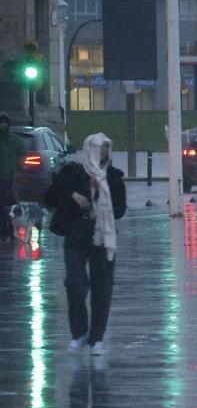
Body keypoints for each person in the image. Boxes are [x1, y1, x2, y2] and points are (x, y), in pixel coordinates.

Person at [42, 133, 126, 356]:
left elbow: (119, 209)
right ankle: (79, 333)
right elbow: (49, 198)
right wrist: (73, 197)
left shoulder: (113, 176)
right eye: (99, 150)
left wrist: (101, 198)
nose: (103, 156)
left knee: (102, 286)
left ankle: (97, 338)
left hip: (103, 235)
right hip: (77, 233)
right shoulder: (71, 174)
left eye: (106, 151)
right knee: (75, 284)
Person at [0, 114, 25, 242]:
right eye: (1, 122)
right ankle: (5, 231)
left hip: (10, 178)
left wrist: (19, 168)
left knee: (11, 205)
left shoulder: (14, 140)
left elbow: (22, 153)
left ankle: (10, 231)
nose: (3, 125)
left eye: (5, 122)